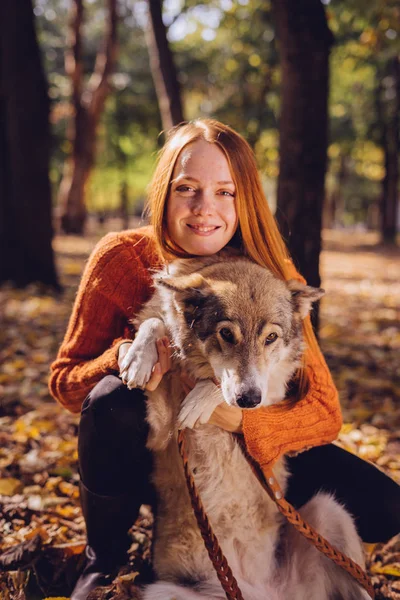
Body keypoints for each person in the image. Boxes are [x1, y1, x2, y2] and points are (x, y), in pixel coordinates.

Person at [49, 119, 400, 599]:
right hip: (155, 454)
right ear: (164, 192)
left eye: (224, 192)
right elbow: (67, 383)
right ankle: (103, 557)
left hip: (251, 450)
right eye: (187, 188)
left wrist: (240, 420)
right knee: (110, 401)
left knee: (382, 504)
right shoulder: (122, 257)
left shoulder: (273, 278)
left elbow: (324, 411)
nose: (204, 209)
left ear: (245, 198)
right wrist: (127, 353)